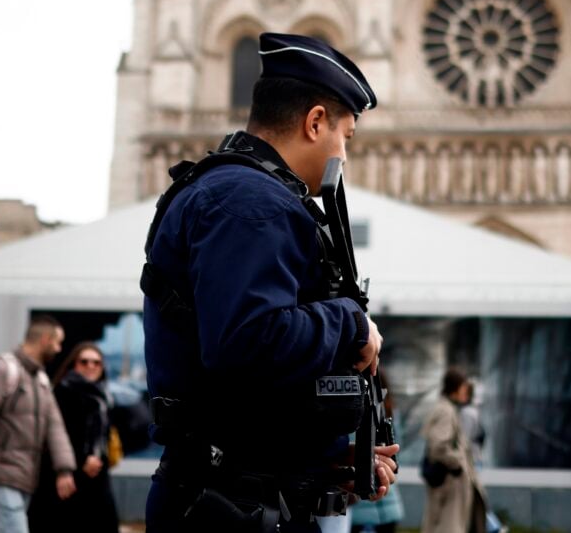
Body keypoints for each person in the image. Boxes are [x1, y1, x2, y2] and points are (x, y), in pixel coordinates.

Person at [141, 32, 398, 533]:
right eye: (345, 135)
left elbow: (245, 395)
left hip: (242, 496)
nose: (344, 155)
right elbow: (247, 340)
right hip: (232, 508)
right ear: (315, 121)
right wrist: (351, 323)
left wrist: (325, 460)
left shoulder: (242, 193)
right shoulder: (251, 203)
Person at [0, 315, 77, 533]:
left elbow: (55, 428)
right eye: (57, 342)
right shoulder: (1, 371)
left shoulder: (40, 380)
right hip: (0, 472)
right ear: (45, 339)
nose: (59, 348)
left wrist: (64, 470)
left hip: (24, 476)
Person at [28, 343, 119, 533]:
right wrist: (81, 459)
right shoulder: (63, 392)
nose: (90, 366)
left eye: (96, 362)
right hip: (66, 474)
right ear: (73, 365)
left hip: (96, 475)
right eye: (84, 361)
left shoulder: (104, 397)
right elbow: (55, 435)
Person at [421, 368, 488, 533]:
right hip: (450, 486)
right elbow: (438, 446)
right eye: (464, 388)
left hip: (450, 485)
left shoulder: (447, 408)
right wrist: (457, 464)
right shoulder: (446, 410)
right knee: (449, 526)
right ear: (455, 387)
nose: (466, 392)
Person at [351, 370, 404, 533]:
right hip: (389, 503)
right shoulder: (390, 413)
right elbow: (396, 448)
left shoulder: (352, 412)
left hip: (359, 508)